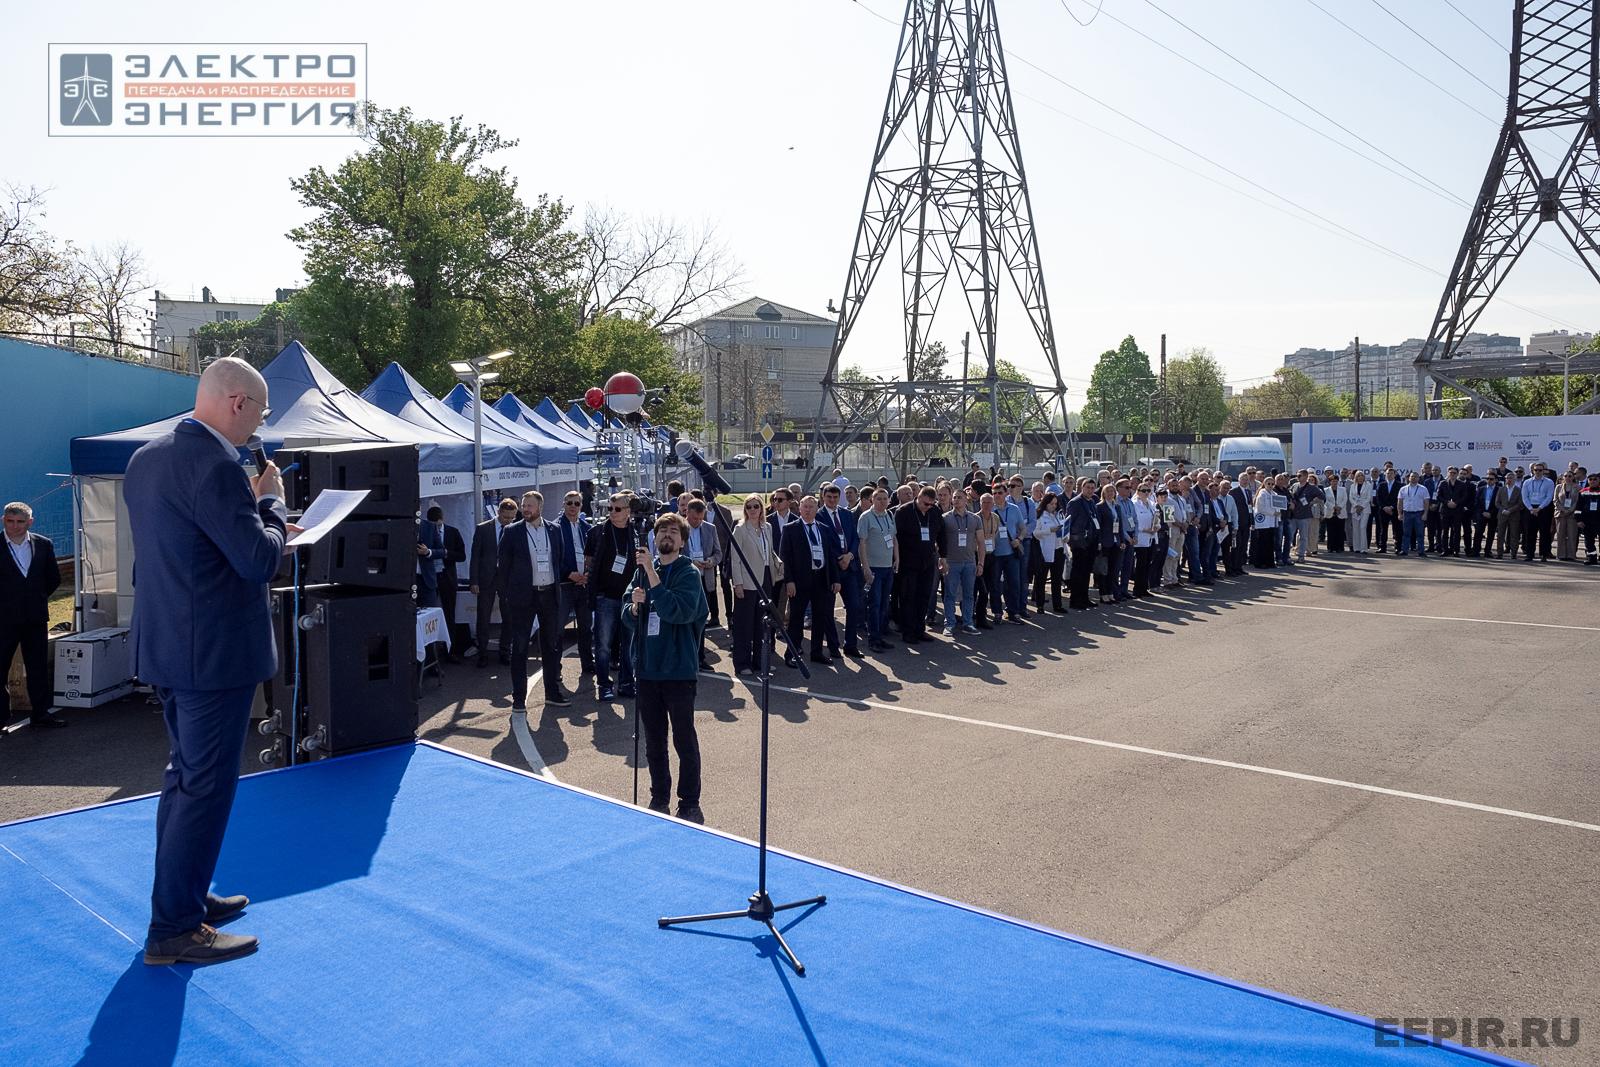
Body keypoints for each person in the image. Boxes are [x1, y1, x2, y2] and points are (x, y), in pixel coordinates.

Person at [125, 356, 290, 966]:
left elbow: (186, 548)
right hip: (213, 654)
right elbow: (255, 559)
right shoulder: (217, 466)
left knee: (184, 779)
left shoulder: (148, 457)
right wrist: (269, 506)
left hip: (168, 646)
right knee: (204, 786)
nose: (259, 424)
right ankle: (174, 927)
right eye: (262, 412)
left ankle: (184, 899)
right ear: (240, 404)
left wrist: (246, 509)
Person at [621, 512, 707, 822]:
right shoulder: (644, 571)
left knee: (684, 740)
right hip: (647, 670)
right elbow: (626, 614)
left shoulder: (688, 573)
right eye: (662, 532)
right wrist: (634, 606)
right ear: (654, 539)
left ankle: (689, 801)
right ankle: (659, 797)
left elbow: (677, 612)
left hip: (678, 672)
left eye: (673, 532)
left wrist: (653, 583)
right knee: (654, 740)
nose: (666, 536)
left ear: (683, 541)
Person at [497, 491, 571, 710]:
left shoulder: (554, 530)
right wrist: (506, 596)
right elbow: (504, 566)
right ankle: (519, 697)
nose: (525, 509)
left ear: (540, 507)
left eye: (530, 505)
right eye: (524, 505)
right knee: (519, 646)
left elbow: (558, 559)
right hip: (523, 597)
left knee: (551, 644)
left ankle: (552, 692)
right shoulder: (512, 532)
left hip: (548, 593)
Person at [0, 502, 65, 729]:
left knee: (37, 666)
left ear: (30, 522)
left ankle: (41, 713)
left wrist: (36, 597)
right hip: (4, 619)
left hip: (35, 618)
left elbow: (53, 578)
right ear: (3, 520)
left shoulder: (43, 544)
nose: (15, 526)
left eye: (20, 522)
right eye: (10, 521)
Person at [588, 493, 640, 702]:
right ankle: (604, 685)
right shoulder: (597, 532)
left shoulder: (636, 533)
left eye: (617, 509)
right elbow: (590, 564)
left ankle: (627, 683)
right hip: (605, 597)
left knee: (628, 645)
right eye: (609, 508)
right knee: (603, 645)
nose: (612, 512)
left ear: (628, 511)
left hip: (628, 597)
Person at [781, 495, 840, 665]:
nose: (808, 510)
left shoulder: (824, 528)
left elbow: (830, 556)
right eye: (805, 507)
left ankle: (817, 652)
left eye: (811, 507)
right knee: (796, 619)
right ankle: (792, 653)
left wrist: (835, 579)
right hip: (799, 582)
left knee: (820, 617)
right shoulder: (790, 529)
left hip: (821, 579)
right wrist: (789, 581)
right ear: (799, 508)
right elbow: (785, 557)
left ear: (817, 509)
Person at [728, 495, 782, 676]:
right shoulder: (740, 529)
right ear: (745, 509)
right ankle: (742, 663)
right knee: (744, 624)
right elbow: (735, 560)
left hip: (766, 578)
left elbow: (769, 553)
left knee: (762, 624)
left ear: (761, 508)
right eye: (749, 506)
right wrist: (738, 583)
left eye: (756, 506)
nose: (752, 509)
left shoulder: (768, 527)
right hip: (747, 581)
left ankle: (760, 661)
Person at [817, 484, 863, 658]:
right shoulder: (819, 516)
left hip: (849, 567)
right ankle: (833, 645)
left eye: (835, 497)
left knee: (853, 606)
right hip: (831, 569)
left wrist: (849, 555)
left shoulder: (847, 514)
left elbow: (854, 538)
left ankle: (851, 645)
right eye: (829, 497)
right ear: (823, 497)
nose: (832, 500)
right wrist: (839, 558)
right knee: (828, 610)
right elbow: (823, 542)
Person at [471, 499, 518, 667]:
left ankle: (505, 651)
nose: (508, 521)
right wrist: (474, 581)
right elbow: (475, 556)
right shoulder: (483, 528)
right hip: (486, 578)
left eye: (511, 518)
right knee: (483, 617)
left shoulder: (516, 529)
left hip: (507, 579)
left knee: (509, 617)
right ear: (499, 513)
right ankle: (482, 653)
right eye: (505, 517)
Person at [554, 490, 596, 679]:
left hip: (584, 585)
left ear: (581, 506)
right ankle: (555, 667)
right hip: (565, 584)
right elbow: (552, 556)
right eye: (569, 503)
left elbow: (594, 555)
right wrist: (569, 574)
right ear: (563, 504)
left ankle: (587, 663)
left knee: (586, 627)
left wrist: (588, 574)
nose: (572, 507)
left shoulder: (587, 527)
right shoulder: (555, 528)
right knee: (558, 627)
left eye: (576, 503)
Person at [895, 486, 944, 642]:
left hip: (928, 561)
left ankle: (919, 629)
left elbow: (941, 534)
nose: (928, 507)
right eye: (925, 504)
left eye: (931, 504)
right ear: (918, 497)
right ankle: (908, 631)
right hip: (908, 562)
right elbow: (896, 537)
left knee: (924, 596)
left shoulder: (935, 512)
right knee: (909, 597)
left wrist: (944, 556)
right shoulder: (904, 512)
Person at [681, 499, 722, 671]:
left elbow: (718, 553)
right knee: (685, 621)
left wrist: (710, 561)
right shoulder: (679, 528)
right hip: (685, 582)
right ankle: (685, 658)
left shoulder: (709, 528)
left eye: (700, 518)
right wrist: (691, 562)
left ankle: (699, 657)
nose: (697, 522)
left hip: (705, 579)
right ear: (687, 514)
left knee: (701, 621)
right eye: (693, 518)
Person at [858, 487, 898, 651]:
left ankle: (880, 636)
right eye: (878, 499)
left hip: (888, 567)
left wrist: (897, 558)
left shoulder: (889, 515)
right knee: (874, 605)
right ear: (871, 500)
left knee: (883, 604)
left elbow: (894, 538)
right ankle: (873, 639)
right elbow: (862, 543)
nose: (882, 502)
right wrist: (865, 567)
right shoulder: (866, 517)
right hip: (874, 568)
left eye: (885, 499)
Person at [425, 505, 466, 660]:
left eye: (438, 525)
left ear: (442, 520)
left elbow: (462, 555)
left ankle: (451, 650)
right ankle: (431, 654)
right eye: (433, 526)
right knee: (429, 613)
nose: (436, 529)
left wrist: (446, 553)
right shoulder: (424, 531)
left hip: (447, 576)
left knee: (449, 613)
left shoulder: (452, 532)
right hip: (430, 577)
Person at [940, 488, 983, 634]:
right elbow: (939, 542)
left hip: (969, 562)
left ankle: (968, 623)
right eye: (955, 497)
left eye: (960, 497)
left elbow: (981, 542)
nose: (956, 500)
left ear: (966, 500)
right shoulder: (945, 518)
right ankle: (949, 623)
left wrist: (981, 563)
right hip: (951, 562)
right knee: (950, 594)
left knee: (969, 594)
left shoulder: (975, 519)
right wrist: (942, 560)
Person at [1064, 479, 1099, 610]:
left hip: (1091, 541)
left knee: (1086, 572)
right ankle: (1075, 600)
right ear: (1082, 488)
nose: (1090, 490)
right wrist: (1073, 540)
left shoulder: (1092, 502)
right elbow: (1069, 523)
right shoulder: (1075, 502)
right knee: (1078, 572)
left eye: (1092, 488)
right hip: (1079, 542)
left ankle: (1084, 598)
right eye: (1088, 487)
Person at [1521, 462, 1555, 562]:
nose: (1538, 472)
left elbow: (1549, 497)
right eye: (1536, 470)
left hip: (1543, 509)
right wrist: (1531, 508)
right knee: (1530, 533)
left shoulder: (1549, 482)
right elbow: (1524, 497)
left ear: (1543, 471)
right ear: (1533, 471)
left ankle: (1544, 554)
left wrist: (1539, 508)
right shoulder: (1527, 482)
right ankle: (1529, 554)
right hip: (1530, 509)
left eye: (1540, 470)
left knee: (1544, 533)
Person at [1437, 467, 1472, 557]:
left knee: (1456, 531)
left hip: (1457, 510)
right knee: (1444, 531)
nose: (1452, 474)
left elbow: (1464, 496)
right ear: (1448, 473)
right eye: (1450, 473)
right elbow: (1439, 496)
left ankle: (1456, 550)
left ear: (1457, 474)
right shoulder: (1443, 483)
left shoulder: (1461, 484)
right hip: (1445, 510)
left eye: (1454, 473)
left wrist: (1456, 503)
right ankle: (1445, 550)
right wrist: (1447, 502)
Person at [415, 510, 443, 608]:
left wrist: (428, 552)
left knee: (430, 613)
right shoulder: (398, 527)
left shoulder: (430, 526)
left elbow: (442, 551)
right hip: (405, 581)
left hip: (426, 581)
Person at [1397, 473, 1430, 557]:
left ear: (1418, 478)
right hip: (1407, 513)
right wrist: (1400, 513)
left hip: (1418, 513)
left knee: (1420, 533)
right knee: (1406, 533)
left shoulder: (1423, 489)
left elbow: (1426, 502)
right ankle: (1404, 550)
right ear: (1409, 478)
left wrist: (1425, 513)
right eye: (1412, 476)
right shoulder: (1403, 489)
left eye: (1415, 477)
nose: (1413, 478)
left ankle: (1421, 551)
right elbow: (1400, 502)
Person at [1494, 473, 1523, 560]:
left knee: (1514, 535)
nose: (1509, 480)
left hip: (1514, 515)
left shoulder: (1518, 490)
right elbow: (1497, 502)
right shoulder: (1501, 489)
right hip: (1502, 514)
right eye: (1507, 478)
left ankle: (1513, 553)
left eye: (1511, 478)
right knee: (1500, 534)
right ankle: (1499, 553)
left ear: (1514, 479)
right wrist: (1503, 510)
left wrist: (1510, 510)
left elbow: (1520, 504)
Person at [1374, 467, 1402, 553]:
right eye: (1387, 474)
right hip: (1383, 511)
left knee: (1397, 529)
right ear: (1385, 474)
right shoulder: (1381, 485)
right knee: (1383, 529)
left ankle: (1398, 547)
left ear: (1394, 475)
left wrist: (1392, 507)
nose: (1389, 475)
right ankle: (1382, 547)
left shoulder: (1400, 485)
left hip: (1395, 510)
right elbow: (1378, 498)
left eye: (1391, 473)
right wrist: (1384, 507)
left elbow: (1400, 499)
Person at [1554, 472, 1581, 562]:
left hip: (1572, 514)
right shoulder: (1558, 487)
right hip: (1560, 514)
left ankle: (1571, 555)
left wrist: (1570, 510)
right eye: (1565, 476)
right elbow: (1555, 500)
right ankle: (1561, 555)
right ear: (1563, 477)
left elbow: (1578, 501)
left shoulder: (1577, 487)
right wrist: (1562, 509)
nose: (1568, 477)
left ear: (1573, 477)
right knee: (1560, 535)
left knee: (1571, 535)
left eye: (1570, 476)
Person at [1578, 471, 1600, 564]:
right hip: (1587, 521)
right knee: (1588, 541)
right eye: (1590, 479)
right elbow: (1578, 507)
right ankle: (1592, 558)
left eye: (1595, 479)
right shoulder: (1583, 492)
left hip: (1599, 520)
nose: (1593, 481)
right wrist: (1578, 520)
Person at [1323, 474, 1347, 554]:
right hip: (1330, 512)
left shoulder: (1343, 489)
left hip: (1340, 512)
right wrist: (1334, 507)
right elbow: (1326, 501)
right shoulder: (1326, 490)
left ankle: (1339, 547)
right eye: (1333, 481)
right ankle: (1330, 547)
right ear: (1330, 482)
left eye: (1336, 481)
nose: (1334, 483)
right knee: (1330, 531)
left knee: (1340, 531)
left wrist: (1339, 507)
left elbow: (1345, 499)